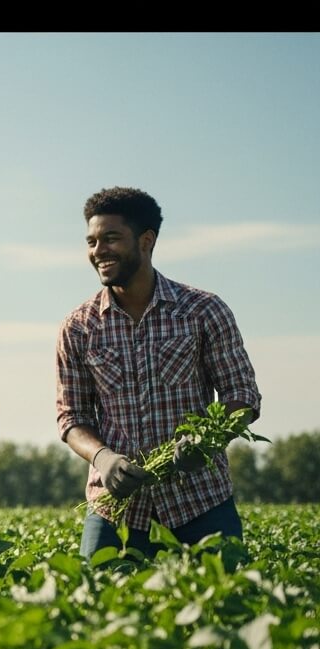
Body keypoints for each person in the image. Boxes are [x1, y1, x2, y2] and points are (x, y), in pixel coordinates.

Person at [56, 187, 261, 558]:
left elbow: (242, 395)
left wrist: (206, 440)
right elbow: (72, 417)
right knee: (94, 594)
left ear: (146, 241)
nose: (98, 251)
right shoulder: (79, 327)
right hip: (117, 508)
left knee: (225, 594)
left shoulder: (203, 311)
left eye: (111, 238)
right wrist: (103, 458)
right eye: (91, 241)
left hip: (201, 502)